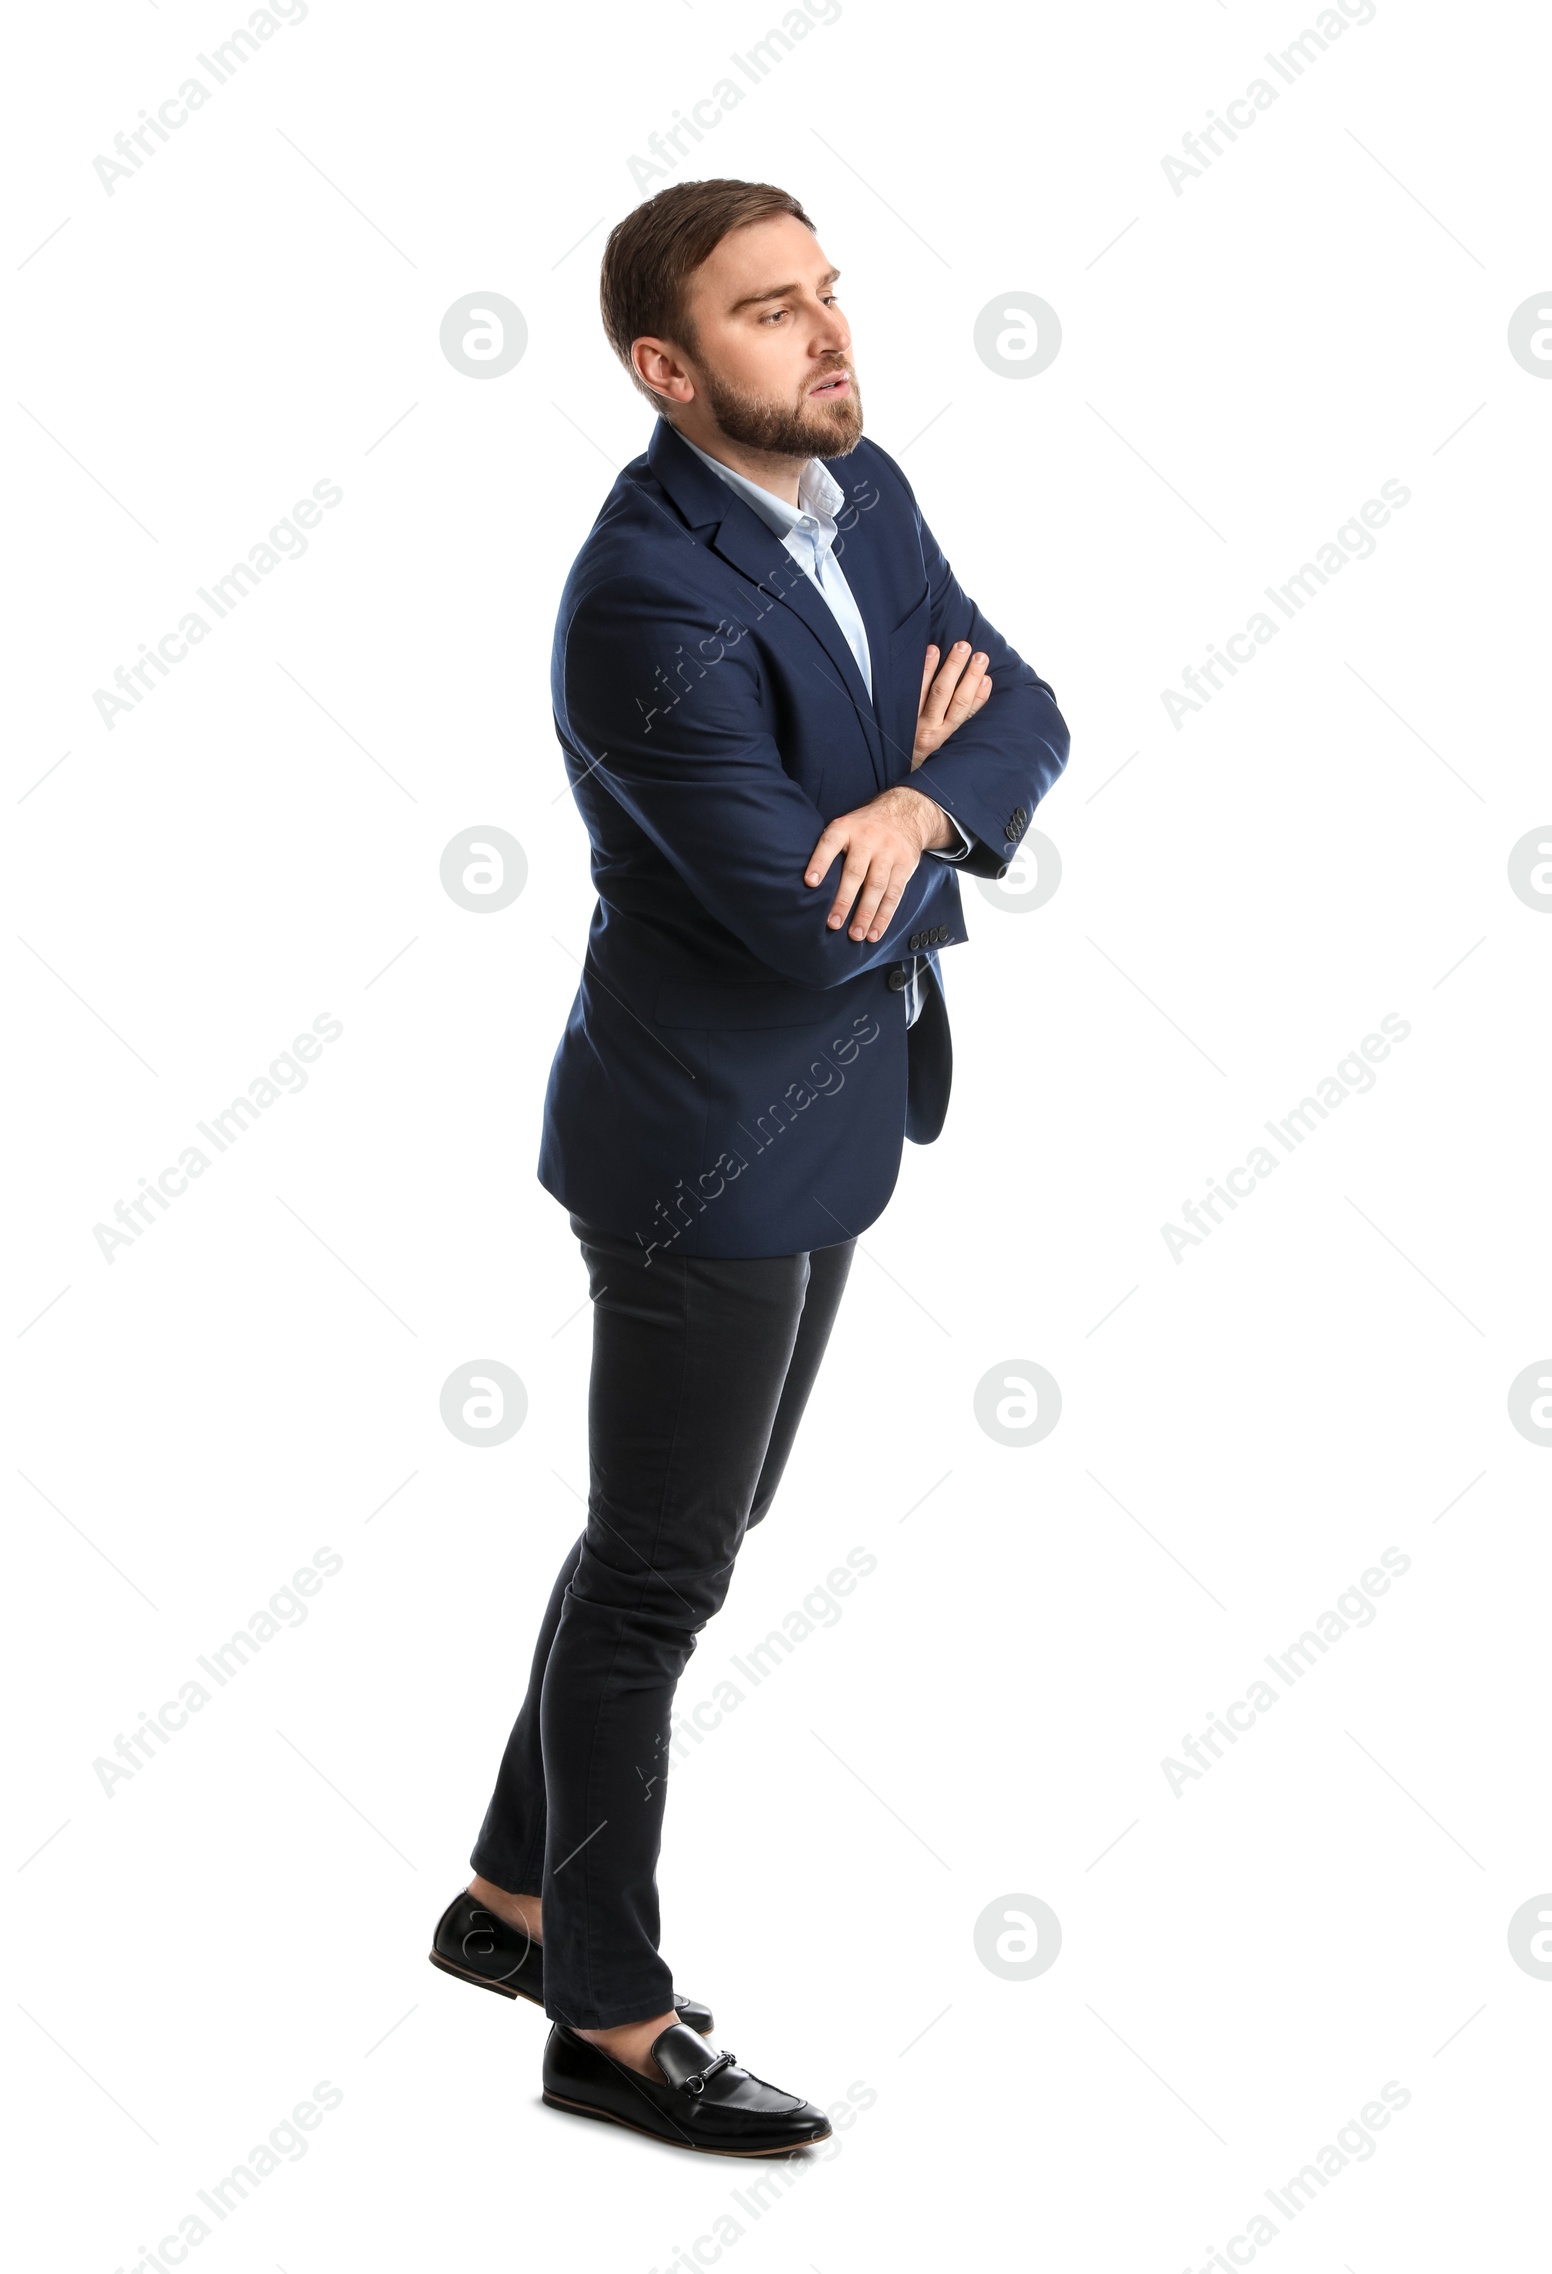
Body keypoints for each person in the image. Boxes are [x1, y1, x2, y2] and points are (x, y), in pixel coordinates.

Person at [429, 177, 1070, 2156]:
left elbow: (1018, 708)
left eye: (822, 295)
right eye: (766, 313)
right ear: (664, 366)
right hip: (698, 1146)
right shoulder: (646, 594)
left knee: (671, 1539)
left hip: (831, 1115)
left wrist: (907, 794)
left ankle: (507, 1895)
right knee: (660, 1577)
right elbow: (799, 924)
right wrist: (905, 787)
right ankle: (599, 2020)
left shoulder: (848, 485)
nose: (824, 338)